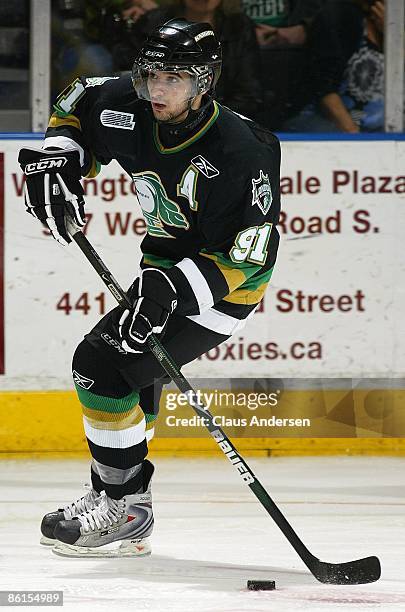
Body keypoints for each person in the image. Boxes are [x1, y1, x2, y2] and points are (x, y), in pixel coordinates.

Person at [18, 19, 280, 558]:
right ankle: (120, 501)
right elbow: (78, 102)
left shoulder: (242, 150)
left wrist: (171, 292)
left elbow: (249, 258)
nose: (157, 90)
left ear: (204, 82)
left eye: (174, 79)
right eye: (152, 75)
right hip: (157, 273)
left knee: (99, 364)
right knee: (131, 380)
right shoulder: (129, 108)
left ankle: (125, 505)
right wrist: (62, 159)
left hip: (220, 293)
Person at [116, 0, 264, 119]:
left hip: (216, 119)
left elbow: (248, 93)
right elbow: (133, 79)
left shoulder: (239, 26)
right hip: (155, 117)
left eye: (172, 79)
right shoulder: (152, 23)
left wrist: (208, 118)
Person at [283, 0, 385, 132]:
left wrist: (396, 35)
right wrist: (355, 137)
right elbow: (323, 88)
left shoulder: (395, 24)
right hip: (330, 124)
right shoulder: (338, 17)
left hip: (383, 128)